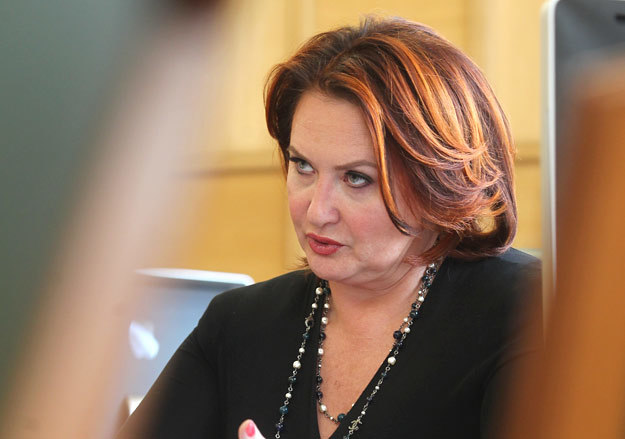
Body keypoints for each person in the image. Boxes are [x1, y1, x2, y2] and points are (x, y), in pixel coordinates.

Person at [116, 16, 541, 439]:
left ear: (438, 182)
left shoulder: (528, 308)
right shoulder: (238, 325)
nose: (317, 211)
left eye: (356, 178)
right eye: (303, 166)